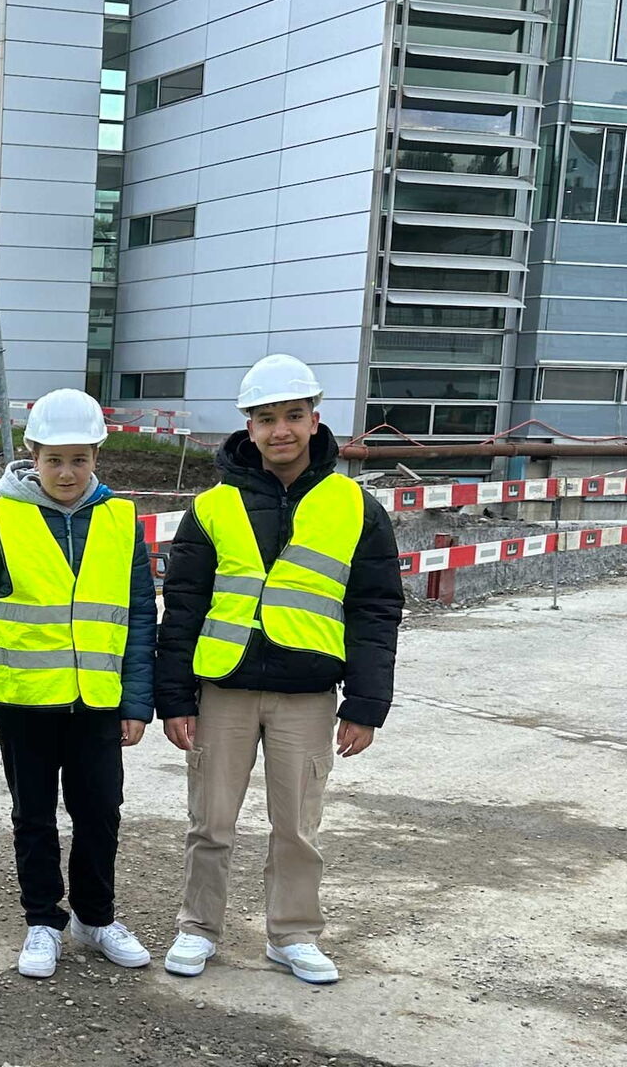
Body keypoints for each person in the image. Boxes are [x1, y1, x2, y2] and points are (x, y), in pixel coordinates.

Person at [154, 354, 403, 984]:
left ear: (315, 420)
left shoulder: (355, 506)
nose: (280, 430)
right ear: (249, 426)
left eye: (293, 416)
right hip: (224, 690)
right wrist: (174, 697)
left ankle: (293, 935)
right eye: (266, 418)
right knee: (210, 822)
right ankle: (197, 928)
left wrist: (367, 703)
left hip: (308, 694)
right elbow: (182, 606)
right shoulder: (212, 507)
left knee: (297, 826)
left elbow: (376, 609)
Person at [0, 389, 156, 980]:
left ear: (97, 455)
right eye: (54, 460)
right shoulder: (0, 519)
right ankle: (42, 921)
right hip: (24, 700)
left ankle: (95, 918)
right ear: (33, 455)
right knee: (33, 815)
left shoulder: (120, 520)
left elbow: (138, 614)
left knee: (100, 811)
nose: (67, 472)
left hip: (97, 700)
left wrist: (136, 701)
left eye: (80, 459)